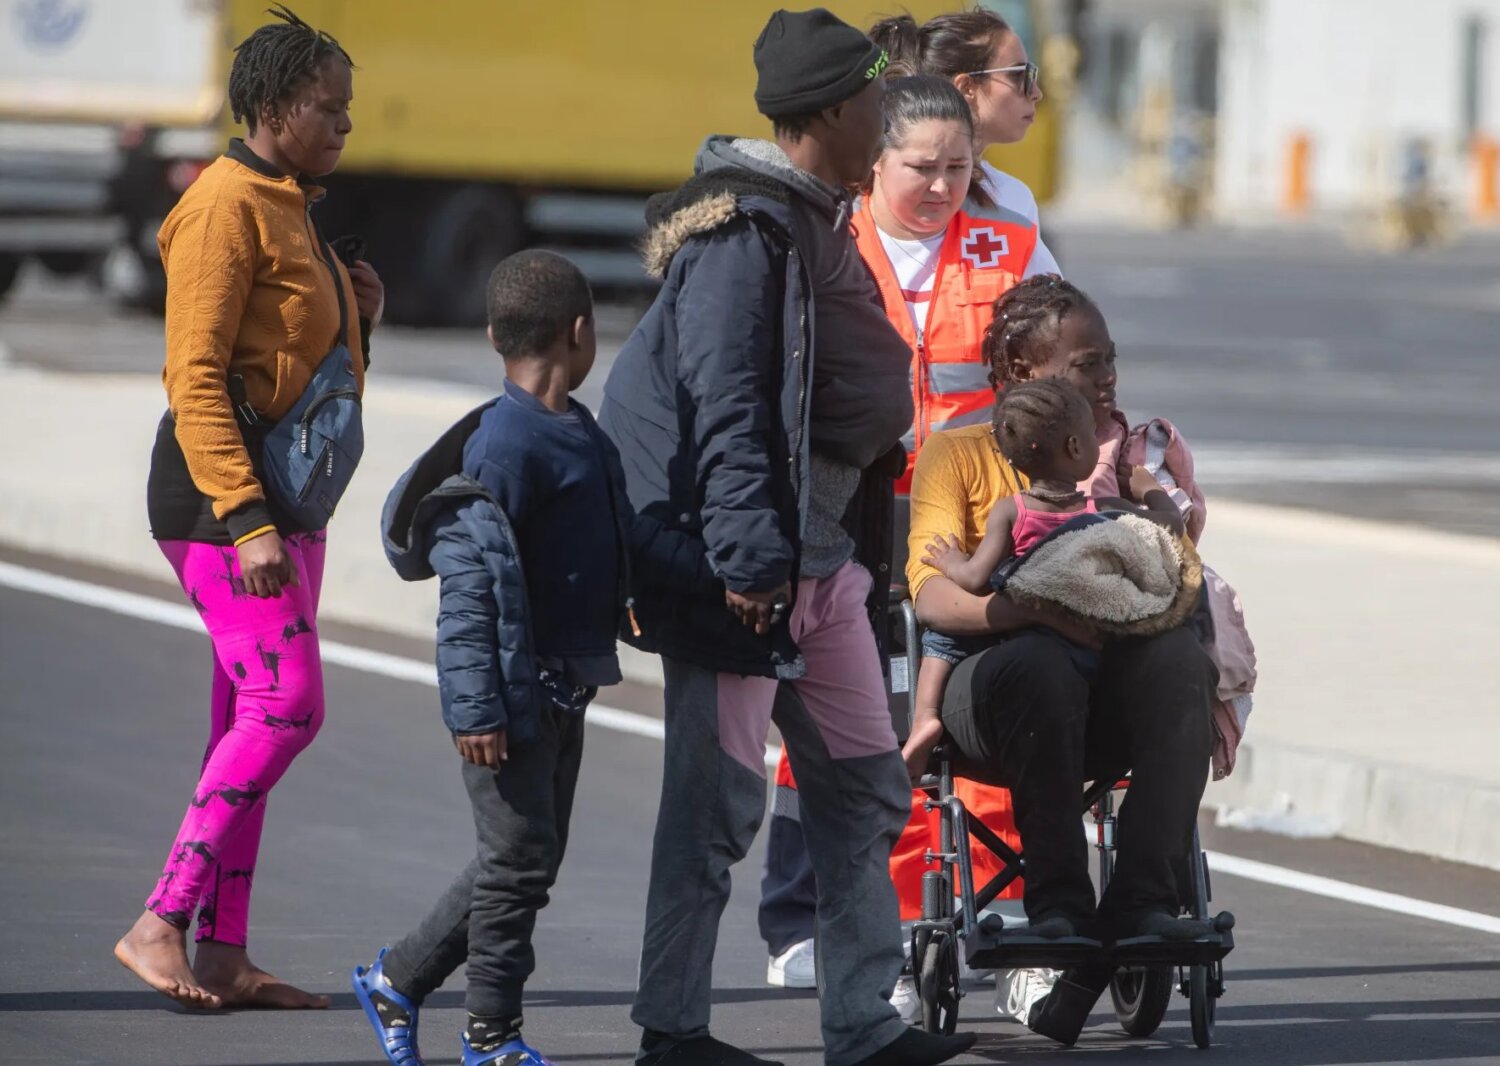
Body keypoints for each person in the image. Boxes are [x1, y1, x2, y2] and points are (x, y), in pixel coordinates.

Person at [601, 9, 976, 1066]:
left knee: (862, 788)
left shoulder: (814, 216)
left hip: (823, 565)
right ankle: (672, 1031)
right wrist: (750, 561)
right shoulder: (742, 236)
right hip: (748, 578)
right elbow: (724, 406)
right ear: (828, 113)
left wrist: (834, 556)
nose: (885, 118)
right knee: (714, 811)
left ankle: (862, 1023)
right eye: (874, 103)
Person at [762, 3, 1057, 996]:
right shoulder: (825, 238)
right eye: (919, 169)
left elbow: (1061, 370)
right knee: (851, 719)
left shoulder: (1009, 243)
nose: (940, 188)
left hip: (972, 522)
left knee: (982, 707)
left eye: (956, 170)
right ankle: (832, 915)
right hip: (854, 516)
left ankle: (998, 911)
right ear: (874, 161)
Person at [351, 250, 709, 1066]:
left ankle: (396, 980)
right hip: (509, 699)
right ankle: (492, 1034)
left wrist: (717, 579)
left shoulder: (580, 434)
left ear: (493, 334)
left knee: (527, 862)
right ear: (581, 334)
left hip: (563, 688)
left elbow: (633, 539)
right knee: (516, 865)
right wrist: (475, 710)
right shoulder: (505, 447)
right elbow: (468, 591)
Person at [116, 5, 383, 1010]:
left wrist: (364, 314)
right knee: (287, 704)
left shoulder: (289, 201)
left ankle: (225, 948)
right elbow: (193, 373)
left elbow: (293, 366)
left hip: (281, 498)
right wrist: (245, 516)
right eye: (331, 107)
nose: (347, 125)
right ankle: (161, 921)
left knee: (246, 713)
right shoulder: (225, 205)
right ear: (274, 105)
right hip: (220, 501)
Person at [905, 273, 1219, 1043]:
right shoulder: (958, 457)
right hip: (998, 688)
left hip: (1106, 684)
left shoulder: (1112, 459)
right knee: (1039, 664)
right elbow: (934, 596)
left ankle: (1140, 900)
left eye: (1109, 360)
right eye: (1085, 365)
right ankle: (1061, 908)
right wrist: (1033, 609)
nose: (1107, 378)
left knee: (1183, 663)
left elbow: (1164, 562)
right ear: (1018, 372)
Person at [907, 376, 1189, 780]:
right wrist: (1148, 490)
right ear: (1076, 448)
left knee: (942, 638)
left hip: (1024, 640)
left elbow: (972, 578)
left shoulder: (1010, 511)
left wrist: (951, 562)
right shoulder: (1099, 508)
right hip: (1086, 640)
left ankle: (926, 716)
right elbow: (1169, 526)